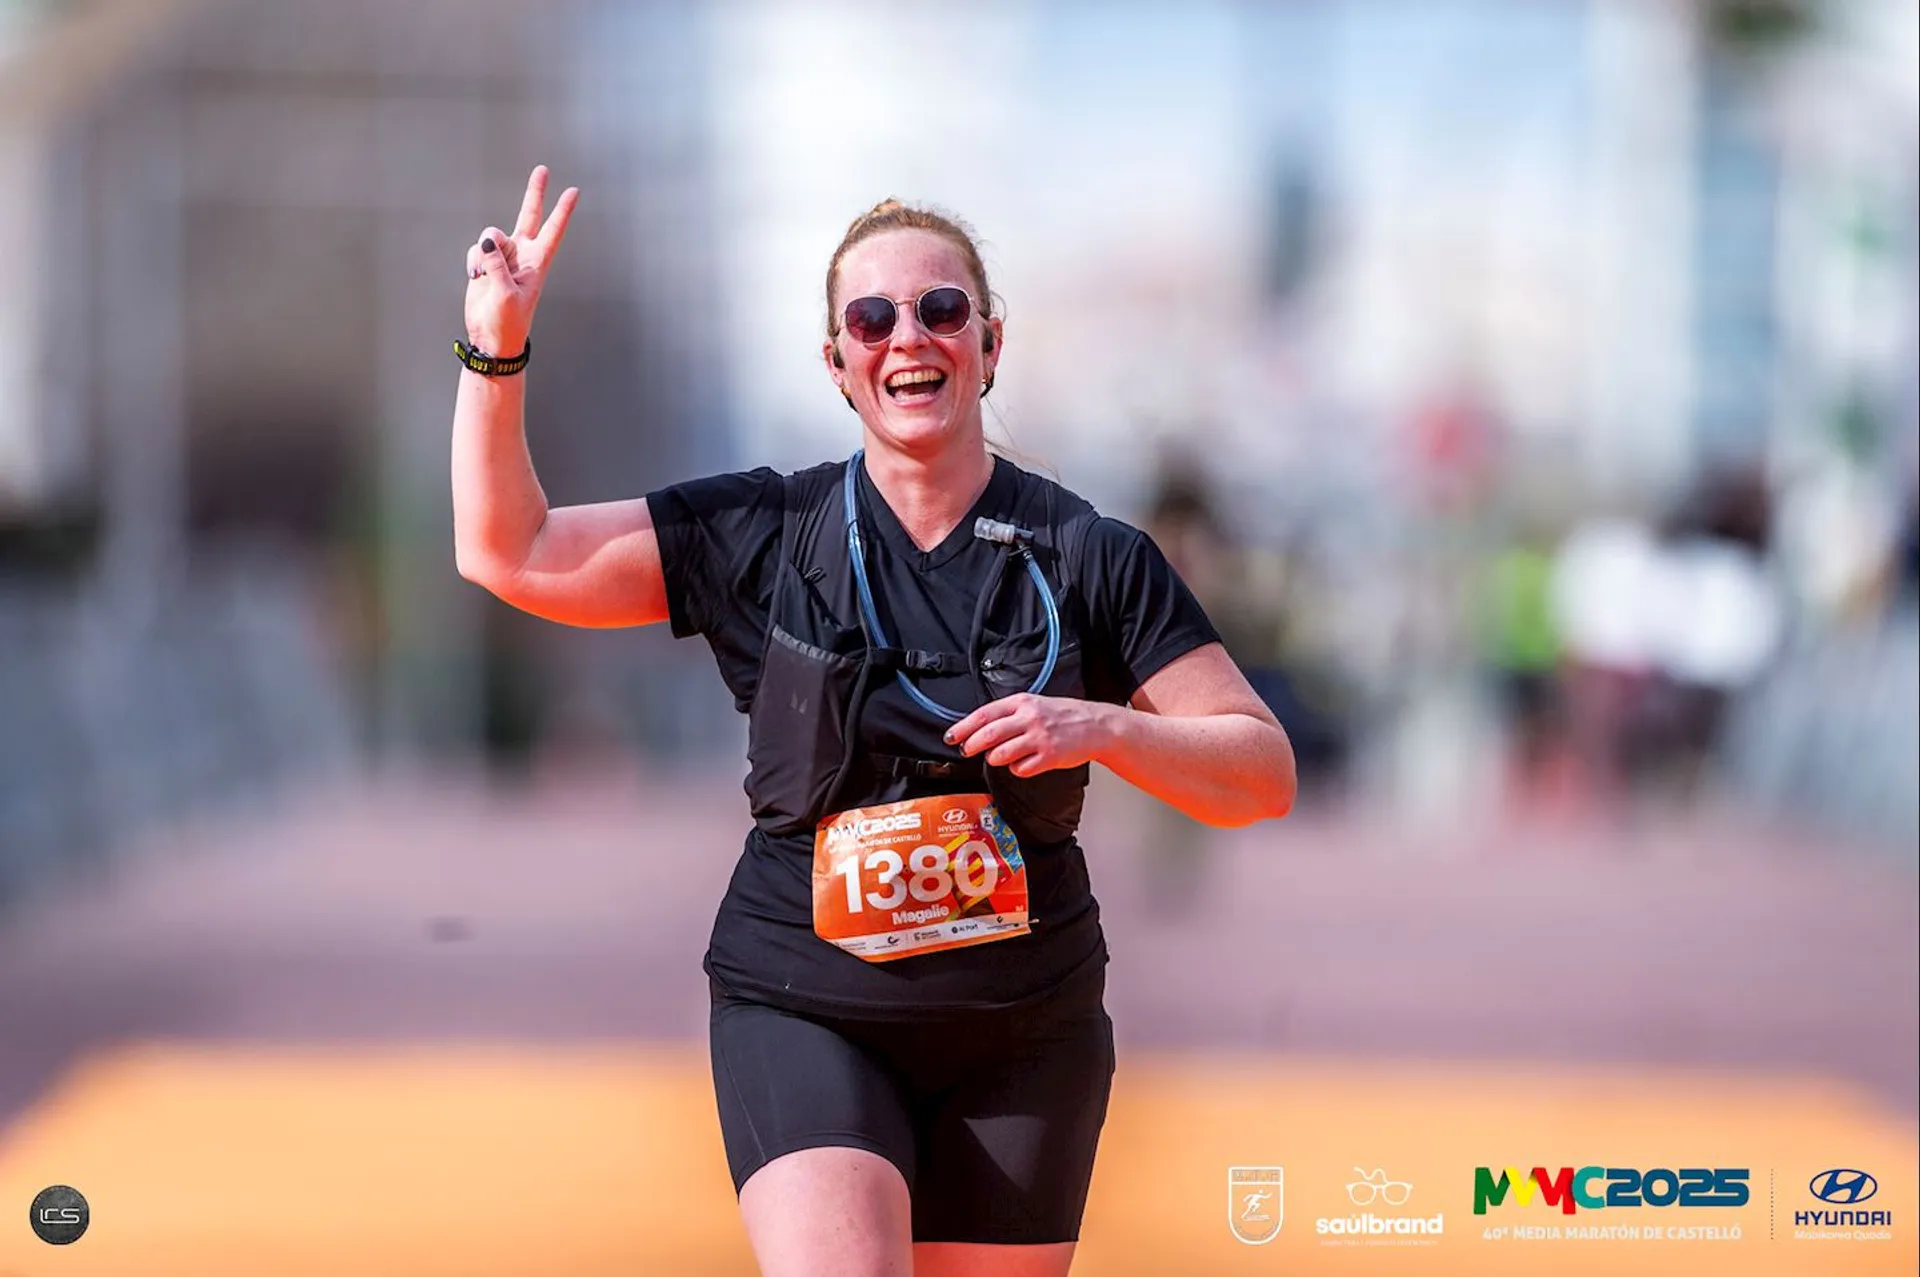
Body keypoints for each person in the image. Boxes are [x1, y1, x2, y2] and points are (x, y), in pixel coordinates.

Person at [450, 166, 1296, 1277]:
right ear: (837, 361)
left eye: (942, 309)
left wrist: (1102, 727)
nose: (910, 336)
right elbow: (507, 550)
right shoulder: (762, 529)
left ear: (989, 344)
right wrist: (496, 350)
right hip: (805, 1004)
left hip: (1022, 1031)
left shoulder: (1092, 555)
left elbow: (1260, 771)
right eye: (872, 317)